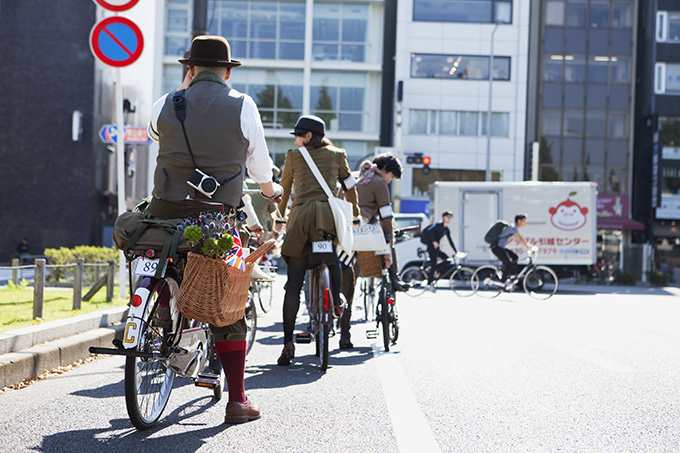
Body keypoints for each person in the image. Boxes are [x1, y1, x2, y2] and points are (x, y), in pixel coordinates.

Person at [147, 35, 282, 424]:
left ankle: (160, 306)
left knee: (159, 259)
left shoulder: (166, 103)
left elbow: (157, 134)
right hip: (215, 217)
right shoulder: (242, 105)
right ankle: (238, 401)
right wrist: (271, 191)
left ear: (189, 69)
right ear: (226, 70)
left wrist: (183, 90)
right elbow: (259, 167)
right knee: (229, 300)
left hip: (164, 213)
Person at [277, 115, 360, 365]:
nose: (296, 140)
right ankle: (335, 302)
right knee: (331, 258)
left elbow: (285, 189)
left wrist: (280, 217)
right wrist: (354, 212)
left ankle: (288, 344)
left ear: (309, 136)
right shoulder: (337, 155)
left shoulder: (293, 156)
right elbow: (350, 186)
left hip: (301, 220)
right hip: (326, 219)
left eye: (298, 135)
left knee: (293, 284)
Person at [337, 152, 405, 350]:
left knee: (348, 287)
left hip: (346, 237)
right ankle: (396, 279)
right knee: (390, 247)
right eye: (391, 176)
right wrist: (388, 240)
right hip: (366, 236)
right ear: (385, 170)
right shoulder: (378, 181)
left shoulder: (356, 178)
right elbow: (386, 215)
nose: (390, 180)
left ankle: (344, 335)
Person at [489, 214, 532, 283]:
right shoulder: (512, 228)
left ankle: (512, 276)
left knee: (515, 257)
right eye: (524, 221)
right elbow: (519, 238)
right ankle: (502, 283)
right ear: (519, 221)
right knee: (508, 265)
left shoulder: (513, 227)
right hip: (497, 248)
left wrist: (528, 246)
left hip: (500, 248)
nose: (525, 223)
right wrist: (528, 247)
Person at [424, 211, 458, 292]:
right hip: (431, 247)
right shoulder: (438, 225)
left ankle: (435, 272)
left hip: (437, 248)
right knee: (434, 264)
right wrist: (434, 241)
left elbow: (450, 241)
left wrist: (456, 251)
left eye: (450, 217)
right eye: (448, 217)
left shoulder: (446, 229)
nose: (449, 219)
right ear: (443, 217)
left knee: (447, 260)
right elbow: (430, 231)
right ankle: (429, 283)